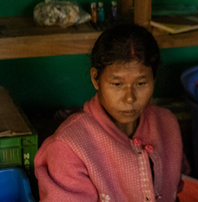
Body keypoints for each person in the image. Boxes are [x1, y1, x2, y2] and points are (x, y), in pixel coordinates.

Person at [35, 23, 185, 202]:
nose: (129, 98)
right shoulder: (69, 146)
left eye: (141, 83)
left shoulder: (167, 124)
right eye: (117, 84)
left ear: (154, 78)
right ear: (96, 79)